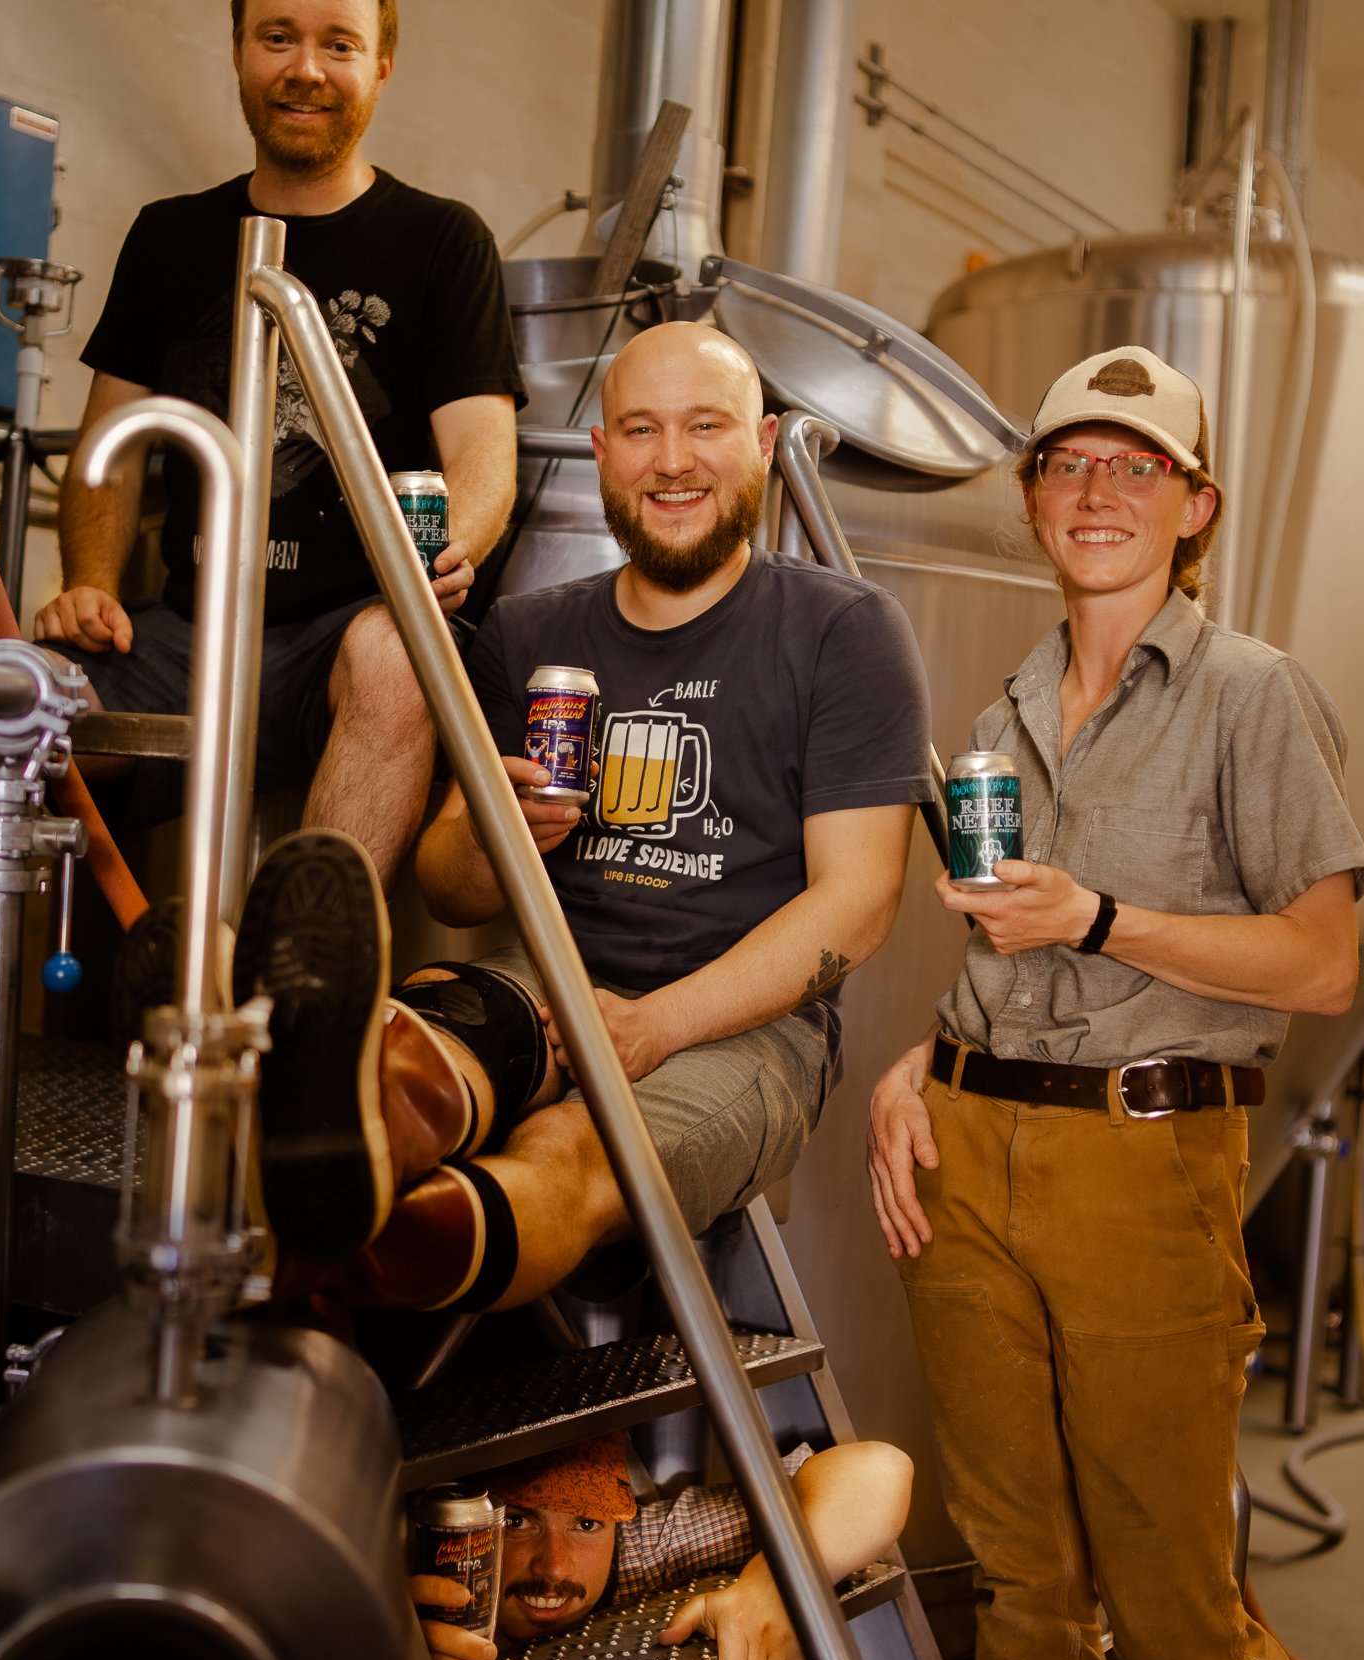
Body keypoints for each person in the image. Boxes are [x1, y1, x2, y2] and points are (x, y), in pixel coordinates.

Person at [864, 345, 1364, 1660]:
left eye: (1136, 467)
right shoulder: (1000, 718)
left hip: (1143, 1167)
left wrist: (1098, 917)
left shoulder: (1250, 695)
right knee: (1021, 1586)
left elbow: (1324, 967)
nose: (1098, 493)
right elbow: (1008, 956)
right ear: (1032, 497)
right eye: (1070, 464)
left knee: (1174, 1610)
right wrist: (920, 1063)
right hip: (968, 1166)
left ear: (1193, 506)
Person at [232, 321, 933, 1302]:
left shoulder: (843, 630)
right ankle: (312, 1125)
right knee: (417, 1063)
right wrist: (489, 834)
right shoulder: (528, 631)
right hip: (541, 977)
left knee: (569, 1146)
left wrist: (649, 1025)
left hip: (746, 1025)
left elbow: (858, 903)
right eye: (641, 431)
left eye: (707, 428)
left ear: (766, 444)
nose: (673, 461)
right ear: (603, 453)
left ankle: (363, 1267)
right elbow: (450, 884)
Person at [0, 0, 522, 975]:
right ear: (240, 51)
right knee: (10, 684)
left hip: (351, 627)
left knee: (395, 654)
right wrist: (89, 582)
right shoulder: (171, 238)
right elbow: (108, 452)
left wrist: (443, 554)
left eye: (338, 44)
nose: (305, 68)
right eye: (278, 37)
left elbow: (483, 457)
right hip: (184, 635)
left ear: (381, 65)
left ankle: (295, 1005)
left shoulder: (440, 242)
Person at [409, 1433, 913, 1660]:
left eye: (586, 1523)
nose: (555, 1566)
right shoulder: (416, 1580)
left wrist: (781, 1585)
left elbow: (878, 1469)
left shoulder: (642, 1548)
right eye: (518, 1522)